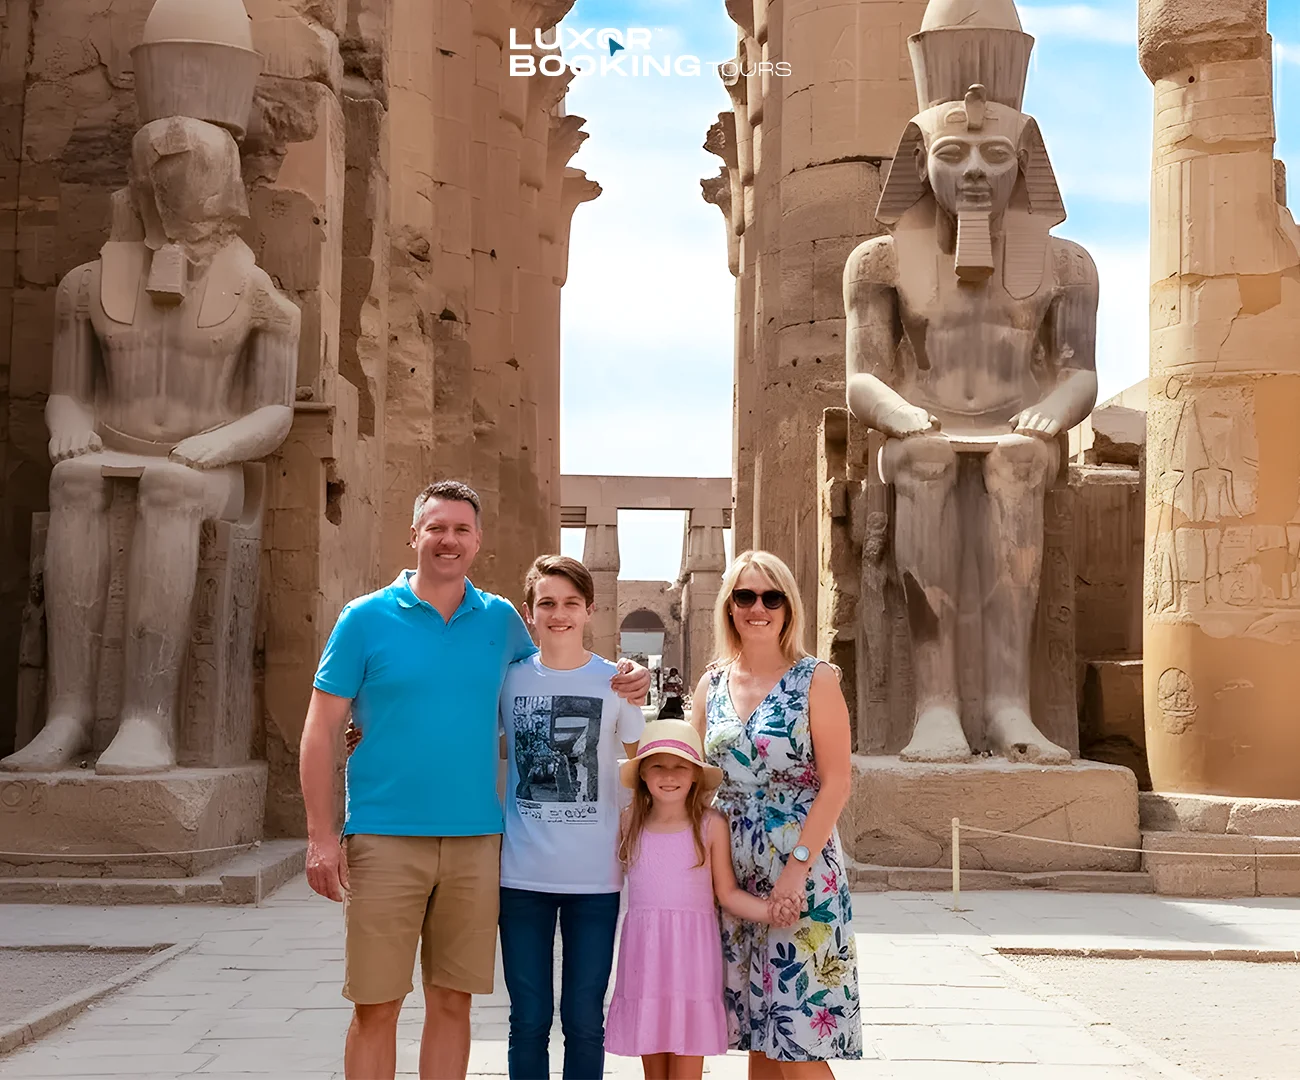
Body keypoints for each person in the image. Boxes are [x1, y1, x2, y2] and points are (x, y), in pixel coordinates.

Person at [298, 480, 649, 1080]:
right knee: (377, 1004)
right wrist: (320, 837)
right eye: (436, 527)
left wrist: (628, 677)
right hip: (385, 835)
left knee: (453, 1001)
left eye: (461, 529)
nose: (448, 540)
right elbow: (320, 731)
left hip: (478, 843)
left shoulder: (500, 622)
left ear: (478, 540)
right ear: (414, 535)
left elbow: (552, 678)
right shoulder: (364, 618)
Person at [690, 550, 860, 1074]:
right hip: (733, 870)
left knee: (800, 1041)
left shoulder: (817, 680)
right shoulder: (711, 683)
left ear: (789, 608)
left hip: (803, 868)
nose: (757, 608)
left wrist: (796, 870)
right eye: (745, 596)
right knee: (763, 1038)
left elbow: (837, 783)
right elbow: (688, 776)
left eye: (771, 597)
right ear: (729, 606)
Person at [498, 555, 647, 1080]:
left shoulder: (616, 683)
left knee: (585, 1018)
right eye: (547, 603)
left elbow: (642, 765)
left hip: (596, 877)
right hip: (520, 875)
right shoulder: (509, 681)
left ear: (589, 611)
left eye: (569, 604)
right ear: (530, 611)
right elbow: (463, 739)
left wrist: (634, 828)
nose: (558, 614)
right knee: (529, 1018)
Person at [604, 720, 798, 1080]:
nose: (669, 775)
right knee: (654, 1067)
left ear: (695, 774)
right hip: (644, 959)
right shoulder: (628, 822)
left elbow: (727, 894)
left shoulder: (710, 825)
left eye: (680, 766)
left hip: (692, 960)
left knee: (687, 1066)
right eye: (658, 765)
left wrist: (770, 911)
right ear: (643, 772)